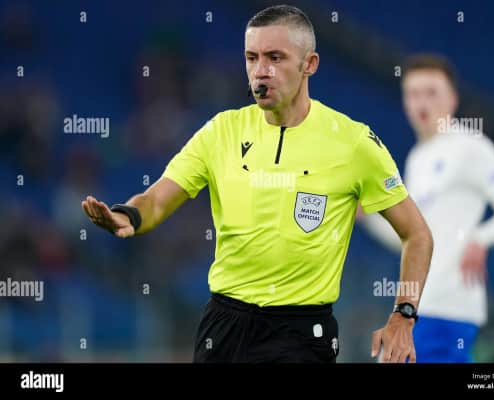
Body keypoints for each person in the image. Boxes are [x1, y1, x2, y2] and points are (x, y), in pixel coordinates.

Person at [81, 5, 433, 363]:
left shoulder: (353, 143)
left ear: (309, 64)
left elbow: (417, 234)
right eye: (252, 58)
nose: (261, 71)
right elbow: (156, 200)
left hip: (301, 333)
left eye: (275, 58)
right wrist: (128, 215)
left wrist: (403, 314)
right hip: (224, 326)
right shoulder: (221, 131)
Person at [357, 54, 494, 362]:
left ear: (452, 99)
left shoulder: (471, 147)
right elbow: (410, 238)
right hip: (418, 305)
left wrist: (481, 238)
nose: (422, 103)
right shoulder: (417, 157)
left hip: (448, 306)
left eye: (432, 93)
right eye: (413, 94)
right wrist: (366, 215)